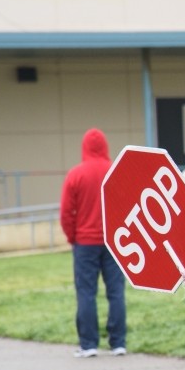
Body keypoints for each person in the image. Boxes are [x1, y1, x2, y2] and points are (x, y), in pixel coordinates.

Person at [60, 128, 126, 358]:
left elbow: (67, 212)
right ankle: (118, 342)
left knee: (87, 292)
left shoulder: (76, 174)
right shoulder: (116, 171)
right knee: (116, 292)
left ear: (84, 147)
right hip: (114, 242)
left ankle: (89, 344)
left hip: (85, 242)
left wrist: (73, 237)